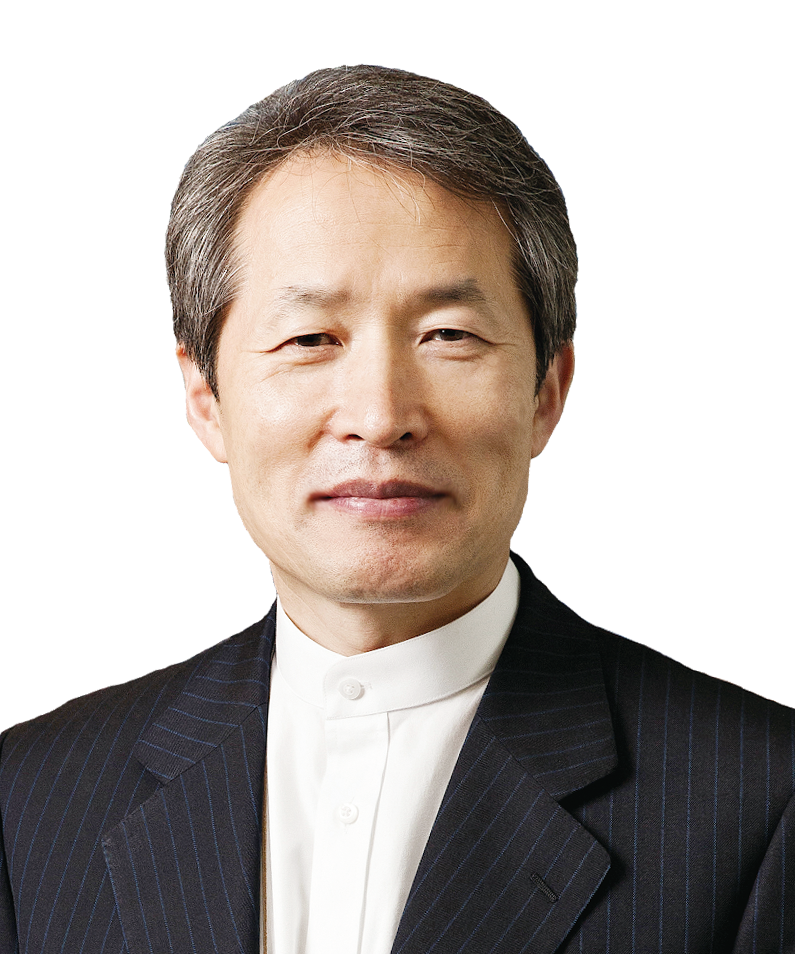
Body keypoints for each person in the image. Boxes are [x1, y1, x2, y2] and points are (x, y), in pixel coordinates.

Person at [0, 65, 793, 954]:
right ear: (206, 402)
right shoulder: (31, 797)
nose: (379, 416)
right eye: (309, 338)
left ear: (545, 393)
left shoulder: (761, 804)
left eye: (447, 335)